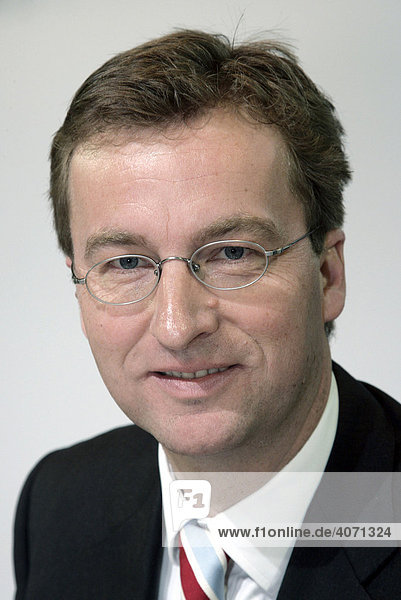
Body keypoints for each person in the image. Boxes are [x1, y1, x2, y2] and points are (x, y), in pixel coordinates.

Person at [14, 30, 401, 599]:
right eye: (126, 262)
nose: (177, 325)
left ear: (327, 276)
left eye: (232, 254)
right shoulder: (60, 503)